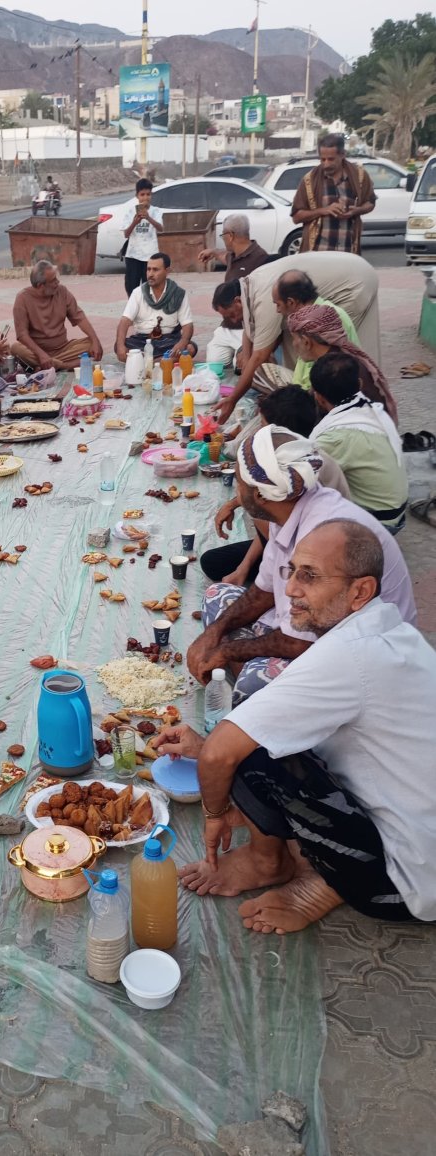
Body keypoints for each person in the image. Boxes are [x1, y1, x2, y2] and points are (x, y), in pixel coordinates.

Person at [156, 520, 436, 934]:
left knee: (248, 751)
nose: (289, 589)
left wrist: (215, 813)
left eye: (310, 576)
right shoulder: (388, 629)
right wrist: (205, 747)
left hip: (406, 883)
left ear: (360, 591)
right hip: (423, 837)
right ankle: (298, 863)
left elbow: (221, 753)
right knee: (260, 731)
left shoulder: (347, 655)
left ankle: (287, 870)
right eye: (291, 571)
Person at [188, 425, 416, 705]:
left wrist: (227, 651)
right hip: (306, 627)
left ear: (260, 496)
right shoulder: (288, 508)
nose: (236, 491)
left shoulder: (324, 536)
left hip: (361, 656)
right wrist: (214, 633)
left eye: (238, 482)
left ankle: (258, 700)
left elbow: (301, 641)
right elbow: (264, 591)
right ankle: (248, 684)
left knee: (257, 683)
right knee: (218, 596)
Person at [200, 386, 350, 585]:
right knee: (213, 561)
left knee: (257, 512)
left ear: (277, 433)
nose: (258, 432)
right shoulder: (296, 458)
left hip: (320, 551)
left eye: (262, 425)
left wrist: (246, 502)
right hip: (294, 537)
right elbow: (275, 524)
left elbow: (274, 526)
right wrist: (243, 568)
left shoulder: (302, 472)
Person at [216, 253, 379, 424]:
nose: (277, 310)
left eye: (278, 304)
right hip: (310, 391)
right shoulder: (304, 320)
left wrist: (283, 404)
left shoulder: (321, 324)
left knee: (270, 418)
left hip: (318, 400)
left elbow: (313, 387)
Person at [310, 352, 407, 532]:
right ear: (360, 384)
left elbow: (306, 479)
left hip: (380, 523)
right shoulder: (373, 411)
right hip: (396, 512)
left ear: (319, 397)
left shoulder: (334, 436)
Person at [286, 304, 397, 423]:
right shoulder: (341, 359)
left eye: (294, 339)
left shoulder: (333, 371)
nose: (293, 344)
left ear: (306, 342)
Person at [291, 133, 376, 254]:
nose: (326, 164)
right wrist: (323, 210)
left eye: (331, 159)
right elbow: (296, 217)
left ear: (342, 155)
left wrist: (357, 210)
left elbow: (371, 202)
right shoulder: (310, 180)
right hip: (317, 253)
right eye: (322, 159)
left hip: (348, 252)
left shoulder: (359, 176)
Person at [10, 261, 103, 371]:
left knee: (91, 343)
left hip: (64, 349)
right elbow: (22, 335)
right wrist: (41, 355)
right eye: (53, 281)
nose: (57, 282)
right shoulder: (22, 298)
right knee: (16, 349)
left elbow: (80, 318)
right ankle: (63, 365)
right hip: (36, 351)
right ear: (40, 286)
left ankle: (51, 365)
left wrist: (95, 341)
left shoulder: (62, 291)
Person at [114, 252, 195, 362]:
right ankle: (162, 362)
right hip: (142, 340)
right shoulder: (138, 293)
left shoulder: (178, 294)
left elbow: (187, 325)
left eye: (155, 270)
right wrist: (120, 346)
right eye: (148, 269)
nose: (150, 274)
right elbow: (124, 321)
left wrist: (182, 343)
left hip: (168, 340)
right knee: (120, 345)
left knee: (190, 348)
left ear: (167, 271)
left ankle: (145, 362)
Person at [120, 178, 164, 297]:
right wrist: (135, 222)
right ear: (137, 196)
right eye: (142, 194)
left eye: (148, 194)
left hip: (150, 256)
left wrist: (148, 218)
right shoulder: (130, 212)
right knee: (131, 287)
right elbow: (126, 234)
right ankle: (133, 306)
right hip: (133, 255)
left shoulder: (156, 211)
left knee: (149, 288)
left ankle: (147, 307)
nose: (145, 198)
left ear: (151, 195)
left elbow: (160, 228)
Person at [197, 214, 269, 281]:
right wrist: (213, 252)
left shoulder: (261, 259)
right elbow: (224, 257)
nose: (223, 238)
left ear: (230, 236)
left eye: (223, 235)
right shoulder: (234, 255)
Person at [205, 280, 244, 372]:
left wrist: (245, 349)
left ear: (238, 301)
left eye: (232, 315)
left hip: (246, 332)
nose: (234, 320)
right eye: (227, 316)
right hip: (225, 330)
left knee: (240, 365)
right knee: (213, 362)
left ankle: (237, 353)